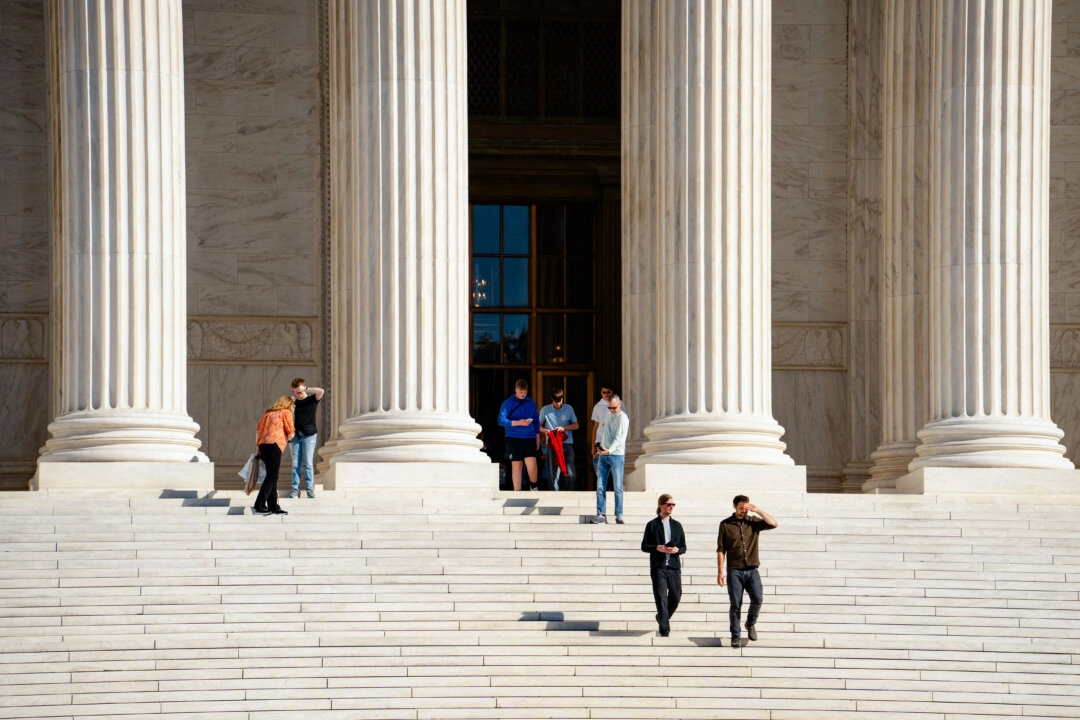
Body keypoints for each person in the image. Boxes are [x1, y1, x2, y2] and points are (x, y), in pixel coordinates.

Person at [716, 494, 778, 648]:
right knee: (735, 604)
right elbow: (720, 550)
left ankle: (750, 623)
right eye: (741, 508)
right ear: (734, 507)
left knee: (757, 598)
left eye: (746, 508)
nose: (744, 511)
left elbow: (774, 523)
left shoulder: (753, 522)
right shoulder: (725, 524)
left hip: (752, 570)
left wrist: (758, 510)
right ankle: (735, 636)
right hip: (734, 570)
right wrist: (720, 572)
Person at [641, 493, 685, 637]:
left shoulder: (677, 525)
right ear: (661, 506)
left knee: (676, 596)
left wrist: (677, 550)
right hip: (658, 566)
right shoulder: (652, 525)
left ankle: (661, 618)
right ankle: (664, 629)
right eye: (668, 504)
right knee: (661, 597)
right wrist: (657, 548)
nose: (671, 507)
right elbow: (644, 546)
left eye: (673, 504)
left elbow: (683, 547)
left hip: (674, 567)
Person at [253, 395, 296, 516]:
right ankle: (259, 504)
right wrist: (290, 438)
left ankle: (274, 506)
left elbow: (258, 430)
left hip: (263, 445)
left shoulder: (267, 413)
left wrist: (257, 448)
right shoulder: (285, 412)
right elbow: (290, 430)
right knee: (272, 476)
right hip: (274, 444)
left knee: (273, 476)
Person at [497, 379, 540, 491]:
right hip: (513, 437)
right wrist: (518, 422)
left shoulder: (531, 402)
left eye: (525, 392)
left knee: (532, 462)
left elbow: (536, 420)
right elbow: (501, 420)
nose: (523, 394)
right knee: (517, 465)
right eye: (521, 392)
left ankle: (533, 485)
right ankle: (517, 492)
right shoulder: (507, 403)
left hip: (529, 437)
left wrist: (538, 437)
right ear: (515, 389)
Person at [592, 393, 628, 524]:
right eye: (609, 408)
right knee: (600, 485)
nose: (612, 410)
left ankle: (619, 514)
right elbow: (605, 434)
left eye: (614, 407)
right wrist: (600, 447)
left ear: (620, 405)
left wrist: (609, 450)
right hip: (604, 455)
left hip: (617, 455)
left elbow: (620, 438)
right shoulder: (607, 416)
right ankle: (600, 513)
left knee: (617, 486)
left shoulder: (623, 418)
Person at [288, 378, 324, 499]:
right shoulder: (293, 403)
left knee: (308, 463)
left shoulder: (311, 400)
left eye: (300, 390)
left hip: (309, 435)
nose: (299, 393)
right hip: (296, 436)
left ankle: (309, 489)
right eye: (296, 391)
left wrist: (307, 389)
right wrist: (289, 404)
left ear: (304, 388)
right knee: (295, 464)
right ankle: (294, 489)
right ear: (293, 391)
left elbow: (321, 391)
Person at [539, 388, 579, 491]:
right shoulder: (545, 410)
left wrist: (564, 428)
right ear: (551, 399)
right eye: (556, 402)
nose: (558, 404)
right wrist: (547, 431)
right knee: (553, 473)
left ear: (562, 399)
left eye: (560, 401)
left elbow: (576, 425)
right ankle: (554, 497)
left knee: (570, 472)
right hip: (552, 445)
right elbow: (538, 427)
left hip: (567, 444)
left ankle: (568, 495)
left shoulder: (568, 408)